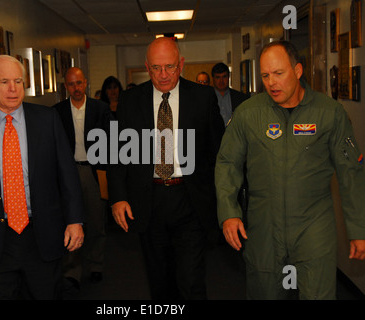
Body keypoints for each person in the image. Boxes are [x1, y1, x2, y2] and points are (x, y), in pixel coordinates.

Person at [215, 40, 365, 300]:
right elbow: (228, 163)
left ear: (297, 71)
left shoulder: (329, 114)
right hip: (264, 226)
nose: (271, 82)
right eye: (265, 75)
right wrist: (229, 212)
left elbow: (350, 173)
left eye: (278, 73)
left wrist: (359, 230)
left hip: (314, 224)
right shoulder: (248, 114)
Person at [0, 55, 84, 300]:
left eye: (18, 81)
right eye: (4, 81)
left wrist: (75, 220)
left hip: (42, 235)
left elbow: (67, 173)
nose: (12, 89)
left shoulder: (47, 119)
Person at [107, 37, 225, 299]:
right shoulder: (130, 100)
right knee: (160, 283)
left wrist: (223, 200)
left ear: (181, 64)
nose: (163, 75)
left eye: (170, 67)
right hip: (149, 199)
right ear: (147, 67)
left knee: (192, 281)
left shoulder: (203, 98)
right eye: (156, 68)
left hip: (190, 198)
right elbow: (117, 154)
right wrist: (118, 197)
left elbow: (218, 152)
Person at [53, 67, 113, 288]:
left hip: (93, 172)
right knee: (71, 221)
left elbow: (111, 143)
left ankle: (96, 265)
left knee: (97, 222)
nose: (76, 88)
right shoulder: (57, 112)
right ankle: (72, 270)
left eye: (79, 83)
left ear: (85, 83)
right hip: (68, 173)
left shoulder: (101, 109)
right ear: (66, 86)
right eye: (71, 84)